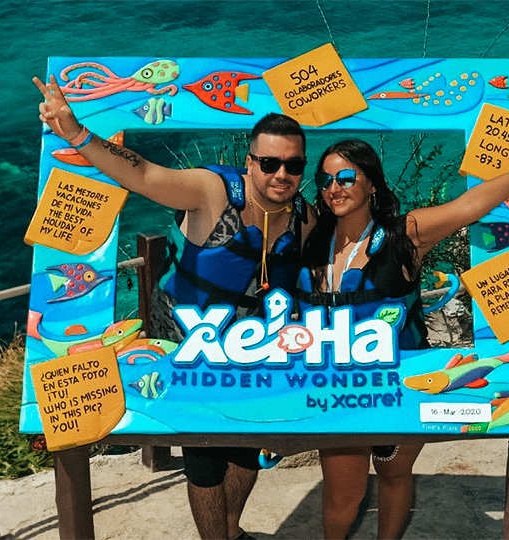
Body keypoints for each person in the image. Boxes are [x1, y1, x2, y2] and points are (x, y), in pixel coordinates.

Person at [298, 113, 509, 539]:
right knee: (342, 498)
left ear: (371, 184)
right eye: (326, 180)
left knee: (393, 475)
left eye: (347, 177)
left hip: (405, 382)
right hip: (340, 387)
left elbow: (473, 204)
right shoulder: (312, 237)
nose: (335, 188)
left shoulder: (406, 233)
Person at [33, 74, 315, 540]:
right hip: (184, 335)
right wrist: (76, 133)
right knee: (203, 453)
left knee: (248, 444)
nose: (281, 174)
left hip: (251, 345)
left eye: (293, 165)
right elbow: (144, 175)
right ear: (250, 162)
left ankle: (230, 531)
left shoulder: (303, 217)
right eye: (269, 163)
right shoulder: (212, 192)